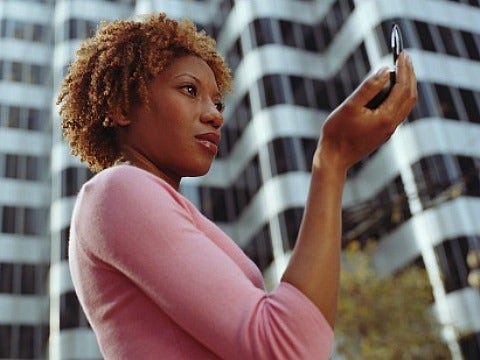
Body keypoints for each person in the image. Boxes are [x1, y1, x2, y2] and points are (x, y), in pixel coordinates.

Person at [58, 13, 417, 359]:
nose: (215, 114)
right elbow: (288, 348)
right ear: (123, 107)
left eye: (217, 102)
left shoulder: (148, 204)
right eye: (188, 90)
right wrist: (332, 159)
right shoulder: (118, 190)